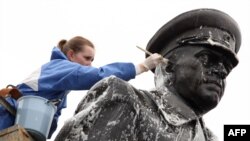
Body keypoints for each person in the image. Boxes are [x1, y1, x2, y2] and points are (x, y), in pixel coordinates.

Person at [55, 8, 241, 141]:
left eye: (227, 66)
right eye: (208, 58)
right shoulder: (125, 100)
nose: (222, 71)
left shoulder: (211, 137)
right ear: (168, 67)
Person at [0, 36, 164, 138]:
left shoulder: (61, 88)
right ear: (71, 54)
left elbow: (49, 127)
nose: (90, 64)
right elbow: (97, 75)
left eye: (92, 60)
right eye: (87, 58)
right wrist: (141, 66)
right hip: (5, 117)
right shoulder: (59, 67)